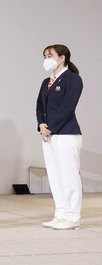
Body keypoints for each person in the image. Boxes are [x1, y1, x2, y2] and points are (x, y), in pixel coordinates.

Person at [37, 44, 83, 230]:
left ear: (62, 57)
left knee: (69, 176)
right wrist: (41, 125)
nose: (46, 59)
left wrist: (51, 127)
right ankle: (60, 213)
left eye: (50, 55)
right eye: (45, 55)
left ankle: (72, 217)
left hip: (66, 134)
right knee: (55, 176)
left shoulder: (72, 79)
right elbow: (40, 106)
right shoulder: (46, 82)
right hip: (49, 136)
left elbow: (68, 107)